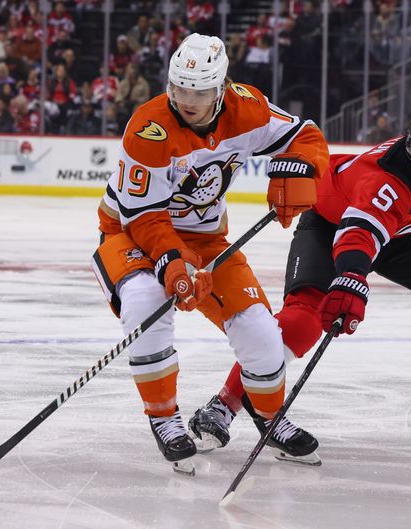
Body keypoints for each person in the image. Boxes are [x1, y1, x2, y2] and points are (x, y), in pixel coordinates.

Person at [190, 101, 411, 456]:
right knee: (302, 322)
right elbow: (358, 234)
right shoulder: (384, 179)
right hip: (332, 223)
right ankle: (225, 404)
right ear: (408, 142)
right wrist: (351, 277)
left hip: (404, 236)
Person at [91, 33, 330, 474]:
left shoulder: (248, 108)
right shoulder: (149, 127)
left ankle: (269, 416)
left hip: (206, 241)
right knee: (147, 304)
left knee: (260, 332)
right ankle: (165, 419)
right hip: (132, 234)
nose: (187, 100)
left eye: (199, 91)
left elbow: (305, 136)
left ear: (220, 89)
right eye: (179, 88)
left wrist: (301, 168)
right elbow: (144, 217)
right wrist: (174, 264)